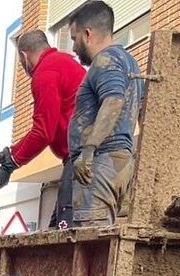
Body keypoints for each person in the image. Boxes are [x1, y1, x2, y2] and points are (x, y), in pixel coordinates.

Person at [0, 30, 86, 228]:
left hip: (82, 158)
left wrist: (10, 165)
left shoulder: (45, 73)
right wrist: (8, 153)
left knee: (65, 233)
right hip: (82, 156)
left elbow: (42, 132)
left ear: (23, 56)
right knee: (56, 228)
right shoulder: (63, 63)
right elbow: (46, 126)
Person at [67, 1, 145, 227]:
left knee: (92, 245)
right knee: (106, 243)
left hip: (100, 164)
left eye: (74, 39)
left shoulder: (106, 60)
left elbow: (113, 101)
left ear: (87, 34)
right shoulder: (130, 62)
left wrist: (88, 151)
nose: (73, 48)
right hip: (118, 164)